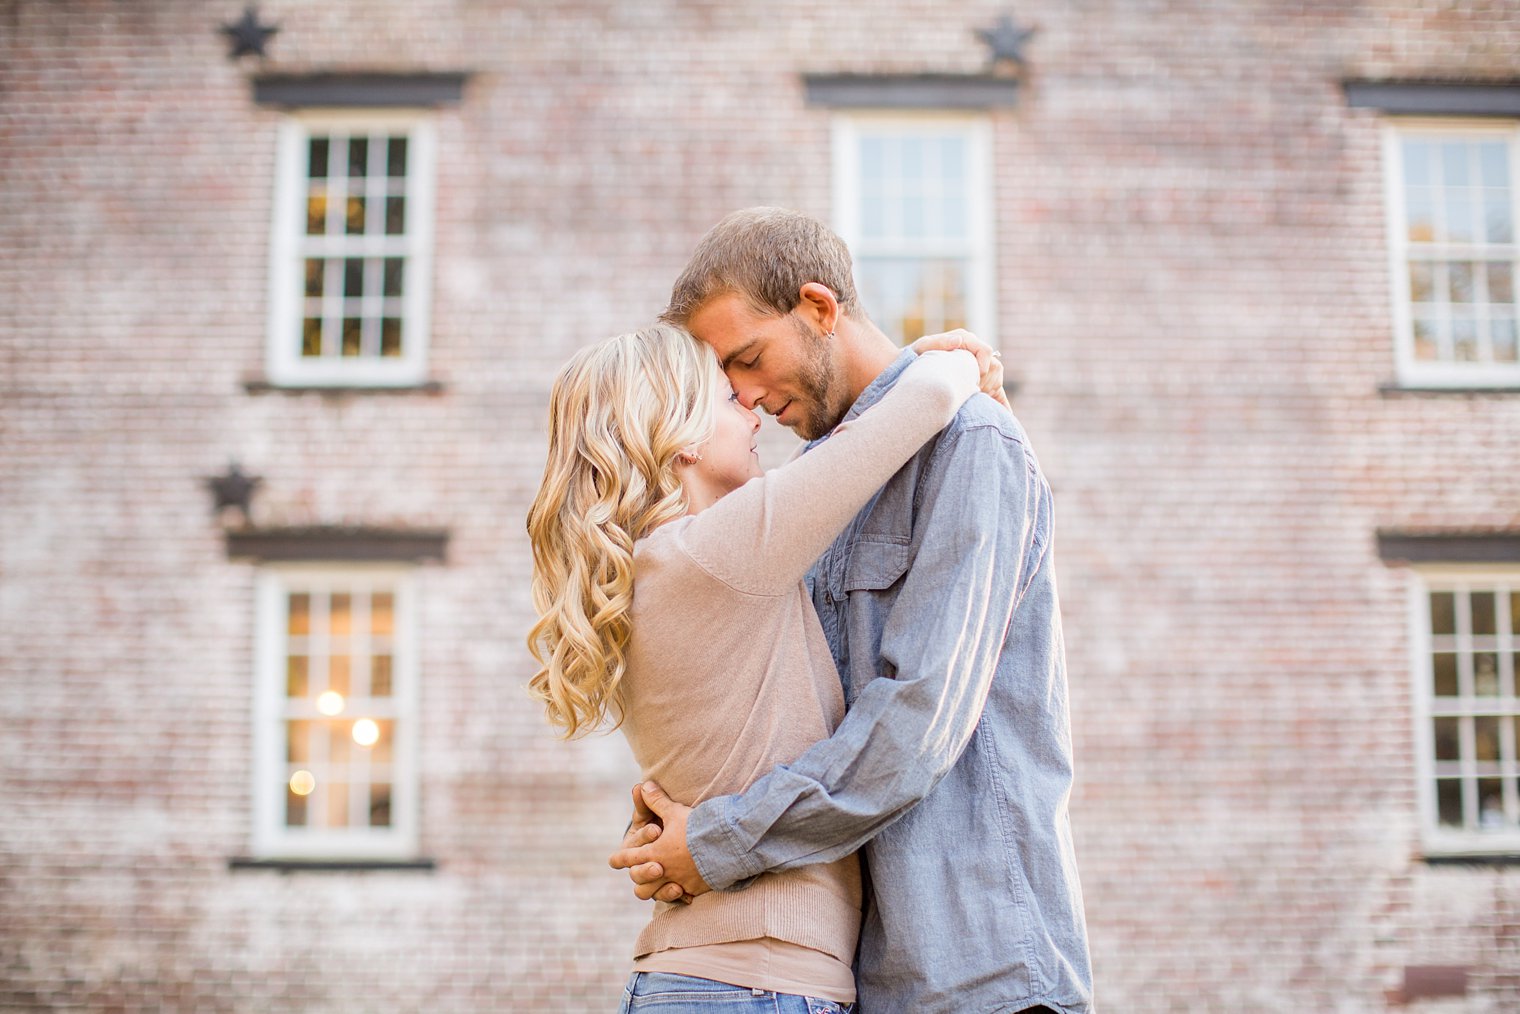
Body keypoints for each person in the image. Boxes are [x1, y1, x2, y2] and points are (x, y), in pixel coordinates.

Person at [608, 208, 1094, 1014]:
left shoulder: (971, 441)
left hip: (976, 970)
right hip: (859, 978)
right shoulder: (822, 491)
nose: (748, 399)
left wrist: (721, 839)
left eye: (749, 359)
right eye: (728, 385)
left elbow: (918, 720)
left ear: (820, 308)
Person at [527, 322, 997, 1012]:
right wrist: (956, 358)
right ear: (680, 434)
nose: (751, 412)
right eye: (726, 398)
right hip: (757, 985)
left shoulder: (653, 570)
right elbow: (918, 409)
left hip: (705, 973)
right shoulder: (717, 554)